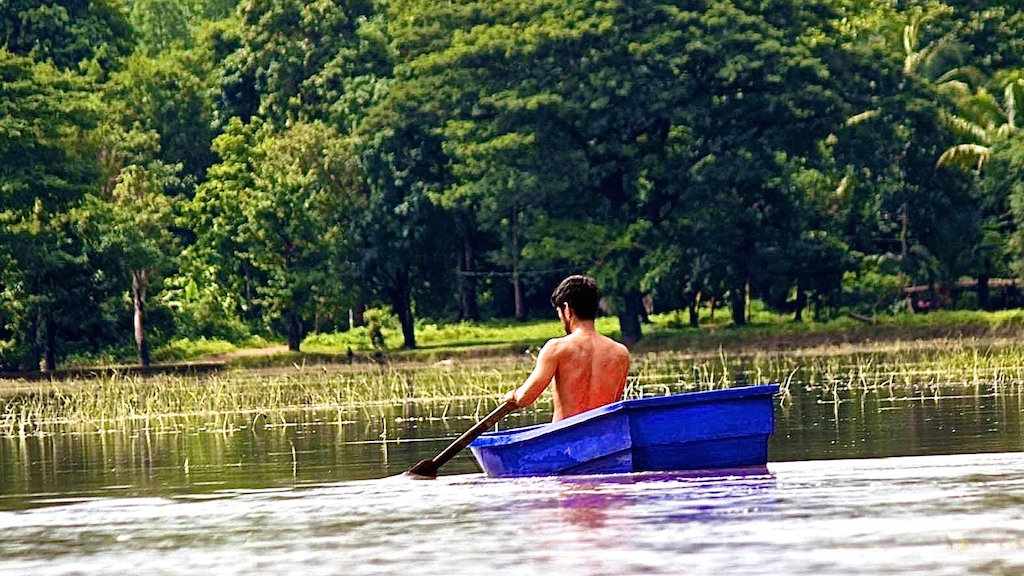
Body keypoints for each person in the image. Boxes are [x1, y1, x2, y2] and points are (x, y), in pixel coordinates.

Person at [503, 275, 630, 422]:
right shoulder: (621, 352)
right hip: (606, 437)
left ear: (567, 309)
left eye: (559, 312)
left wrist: (513, 395)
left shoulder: (556, 348)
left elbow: (525, 398)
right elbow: (614, 403)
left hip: (565, 440)